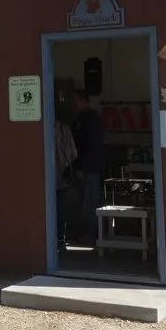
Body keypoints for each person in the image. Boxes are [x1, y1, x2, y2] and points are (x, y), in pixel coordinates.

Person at [70, 89, 104, 245]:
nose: (73, 104)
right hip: (82, 167)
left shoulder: (91, 119)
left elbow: (91, 146)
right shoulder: (81, 119)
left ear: (84, 101)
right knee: (83, 202)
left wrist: (82, 168)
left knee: (89, 203)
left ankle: (89, 235)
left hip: (89, 169)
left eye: (75, 101)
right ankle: (84, 233)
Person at [53, 105, 78, 251]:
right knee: (61, 208)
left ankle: (50, 239)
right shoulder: (64, 129)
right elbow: (73, 153)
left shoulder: (40, 128)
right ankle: (60, 240)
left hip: (45, 176)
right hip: (61, 175)